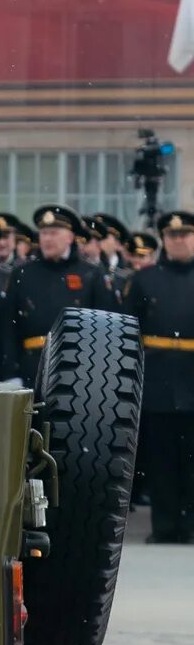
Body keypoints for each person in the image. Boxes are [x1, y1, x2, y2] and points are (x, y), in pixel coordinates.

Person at [0, 205, 115, 384]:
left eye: (54, 233)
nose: (48, 239)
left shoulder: (91, 274)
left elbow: (104, 329)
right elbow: (9, 328)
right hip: (32, 368)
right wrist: (11, 373)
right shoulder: (23, 273)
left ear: (70, 237)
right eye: (44, 233)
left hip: (78, 370)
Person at [128, 211, 194, 543]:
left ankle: (190, 526)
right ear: (164, 240)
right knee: (162, 461)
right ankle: (165, 525)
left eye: (185, 234)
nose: (178, 240)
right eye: (172, 235)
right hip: (158, 378)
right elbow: (130, 329)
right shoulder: (145, 279)